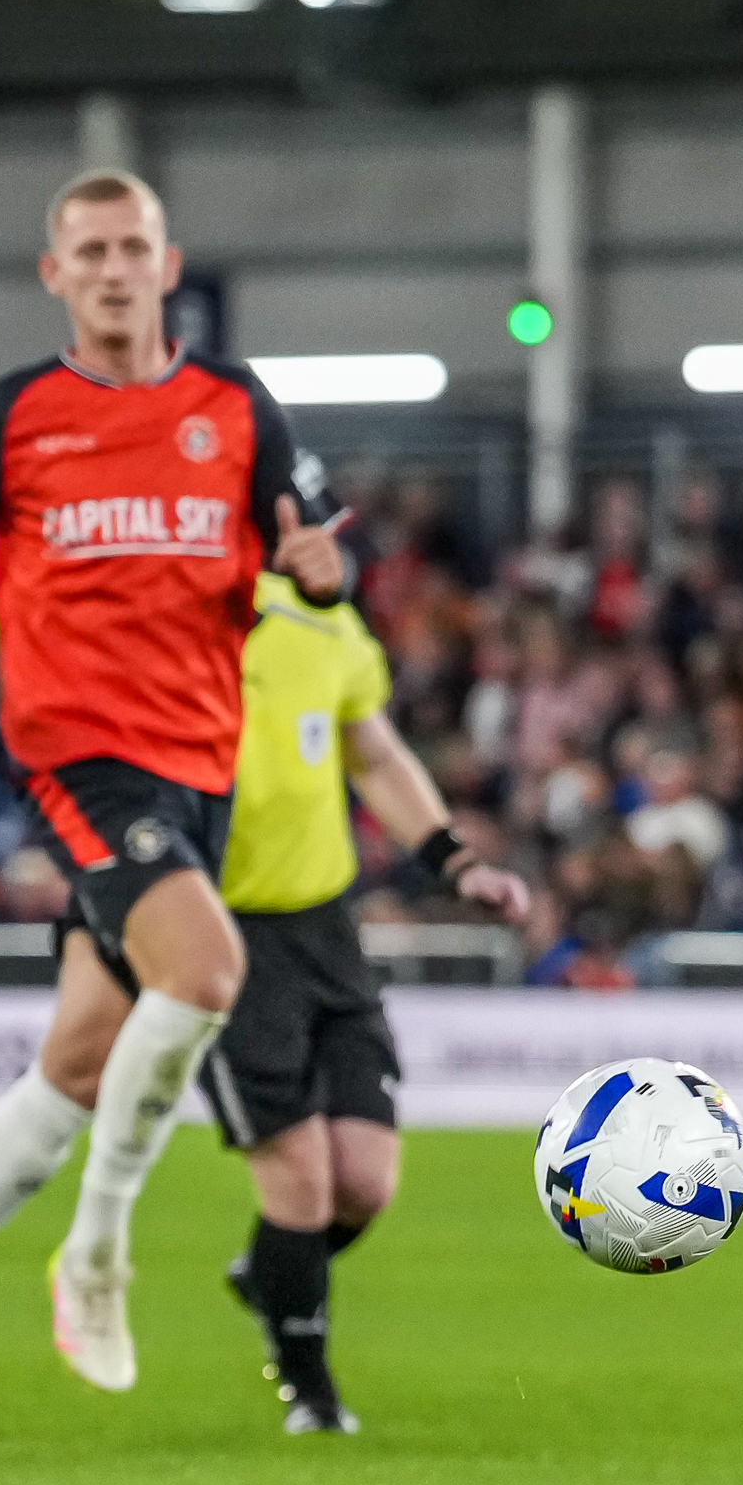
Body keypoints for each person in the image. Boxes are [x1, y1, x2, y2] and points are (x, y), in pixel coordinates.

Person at [0, 168, 351, 1406]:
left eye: (134, 248)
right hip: (77, 755)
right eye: (91, 251)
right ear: (54, 274)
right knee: (208, 970)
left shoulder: (236, 408)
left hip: (197, 762)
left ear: (169, 268)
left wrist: (323, 573)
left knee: (78, 1062)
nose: (115, 269)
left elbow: (315, 555)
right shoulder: (14, 414)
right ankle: (98, 1255)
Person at [209, 567, 531, 1434]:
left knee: (365, 1182)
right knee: (302, 1181)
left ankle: (273, 1274)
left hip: (324, 926)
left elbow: (376, 754)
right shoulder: (174, 619)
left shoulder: (326, 625)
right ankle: (311, 1393)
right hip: (221, 934)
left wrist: (457, 864)